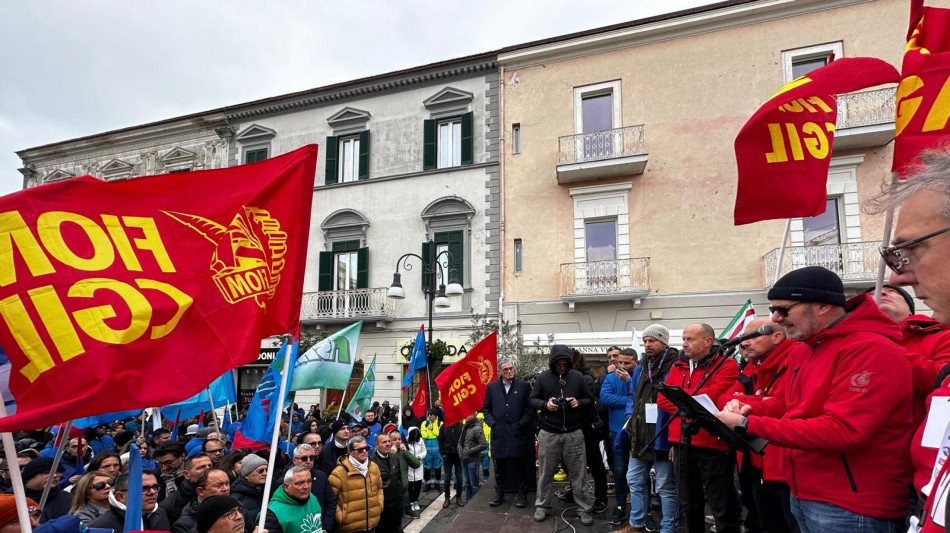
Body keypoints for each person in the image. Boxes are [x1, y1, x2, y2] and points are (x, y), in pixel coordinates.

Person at [718, 266, 913, 533]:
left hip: (853, 505)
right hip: (804, 491)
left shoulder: (870, 348)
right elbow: (790, 405)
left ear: (822, 306)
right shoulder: (804, 349)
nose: (775, 317)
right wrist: (752, 408)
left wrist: (746, 424)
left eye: (783, 310)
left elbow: (843, 430)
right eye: (773, 309)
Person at [717, 318, 805, 533]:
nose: (744, 343)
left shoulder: (795, 359)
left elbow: (783, 405)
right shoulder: (754, 366)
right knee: (759, 520)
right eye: (743, 338)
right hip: (752, 458)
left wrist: (745, 401)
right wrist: (759, 402)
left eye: (752, 336)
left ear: (776, 337)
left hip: (782, 465)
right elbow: (723, 399)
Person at [658, 323, 740, 533]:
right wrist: (691, 401)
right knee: (688, 503)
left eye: (690, 339)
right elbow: (663, 400)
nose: (684, 344)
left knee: (721, 504)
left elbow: (713, 396)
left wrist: (684, 399)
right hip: (682, 442)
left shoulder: (727, 365)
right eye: (684, 339)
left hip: (713, 444)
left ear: (707, 341)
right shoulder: (678, 366)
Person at [613, 325, 679, 533]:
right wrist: (630, 417)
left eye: (653, 340)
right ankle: (637, 523)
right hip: (640, 434)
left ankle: (668, 528)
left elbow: (678, 403)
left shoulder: (676, 366)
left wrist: (675, 439)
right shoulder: (642, 367)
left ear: (664, 342)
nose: (648, 345)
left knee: (665, 486)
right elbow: (633, 394)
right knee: (634, 479)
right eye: (645, 341)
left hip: (663, 435)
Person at [528, 344, 594, 526]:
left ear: (570, 363)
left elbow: (589, 399)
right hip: (549, 432)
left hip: (574, 432)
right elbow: (532, 400)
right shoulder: (543, 378)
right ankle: (542, 506)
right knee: (545, 473)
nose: (562, 367)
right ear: (553, 363)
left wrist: (578, 402)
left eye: (565, 364)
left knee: (579, 473)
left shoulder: (578, 377)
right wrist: (545, 405)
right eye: (559, 364)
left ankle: (584, 509)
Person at [481, 360, 533, 508]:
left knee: (520, 466)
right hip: (499, 434)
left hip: (518, 434)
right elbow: (486, 409)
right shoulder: (492, 387)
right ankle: (499, 494)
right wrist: (493, 423)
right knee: (499, 468)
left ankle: (522, 495)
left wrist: (522, 423)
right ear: (500, 372)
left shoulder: (524, 386)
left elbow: (531, 409)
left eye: (511, 368)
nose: (509, 371)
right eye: (506, 370)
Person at [601, 347, 637, 526]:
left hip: (638, 431)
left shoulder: (639, 378)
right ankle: (621, 507)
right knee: (619, 471)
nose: (621, 365)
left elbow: (645, 399)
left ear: (635, 363)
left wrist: (631, 384)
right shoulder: (609, 378)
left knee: (639, 473)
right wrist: (630, 401)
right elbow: (605, 398)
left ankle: (642, 511)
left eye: (626, 363)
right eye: (619, 362)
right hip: (617, 430)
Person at [329, 436, 383, 533]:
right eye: (359, 450)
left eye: (366, 448)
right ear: (350, 452)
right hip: (349, 528)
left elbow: (379, 488)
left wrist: (379, 506)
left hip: (371, 524)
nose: (364, 451)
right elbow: (330, 498)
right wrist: (341, 517)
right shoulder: (339, 473)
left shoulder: (374, 467)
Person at [89, 469, 171, 532]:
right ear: (120, 496)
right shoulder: (101, 527)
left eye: (154, 487)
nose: (152, 492)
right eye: (143, 489)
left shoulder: (161, 513)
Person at [287, 443, 335, 533]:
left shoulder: (321, 476)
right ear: (294, 460)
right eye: (304, 458)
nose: (308, 461)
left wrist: (326, 527)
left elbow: (331, 502)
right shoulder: (285, 481)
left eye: (311, 458)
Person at [8, 457, 70, 522]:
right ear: (29, 477)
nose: (55, 475)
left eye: (58, 472)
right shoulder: (9, 500)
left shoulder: (67, 498)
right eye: (46, 472)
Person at [262, 467, 322, 533]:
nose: (306, 487)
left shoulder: (312, 498)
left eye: (309, 481)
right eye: (299, 483)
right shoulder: (272, 514)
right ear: (286, 487)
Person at [173, 468, 232, 533]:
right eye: (218, 485)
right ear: (200, 491)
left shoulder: (238, 508)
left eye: (227, 483)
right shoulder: (184, 525)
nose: (225, 488)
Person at [162, 453, 213, 525]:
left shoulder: (221, 490)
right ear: (186, 474)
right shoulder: (168, 507)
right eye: (201, 467)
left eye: (210, 466)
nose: (208, 470)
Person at [369, 432, 404, 533]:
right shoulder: (371, 462)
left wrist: (400, 498)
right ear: (377, 445)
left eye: (389, 441)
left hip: (397, 505)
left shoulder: (394, 458)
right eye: (384, 442)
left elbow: (399, 479)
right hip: (383, 508)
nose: (388, 444)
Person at [230, 454, 267, 533]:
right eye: (260, 471)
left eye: (266, 470)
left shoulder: (267, 490)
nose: (265, 473)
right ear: (246, 475)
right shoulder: (237, 499)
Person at [458, 411, 487, 504]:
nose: (466, 415)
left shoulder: (477, 428)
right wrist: (460, 451)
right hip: (464, 459)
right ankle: (468, 501)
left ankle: (473, 504)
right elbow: (460, 441)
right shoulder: (465, 426)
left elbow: (483, 444)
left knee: (474, 484)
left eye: (469, 414)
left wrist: (469, 451)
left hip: (472, 460)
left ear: (474, 416)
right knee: (467, 483)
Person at [437, 418, 464, 508]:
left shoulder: (461, 426)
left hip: (458, 455)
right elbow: (440, 440)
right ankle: (447, 498)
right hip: (447, 455)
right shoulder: (444, 426)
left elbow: (464, 440)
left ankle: (459, 497)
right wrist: (442, 452)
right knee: (447, 477)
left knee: (459, 477)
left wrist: (462, 452)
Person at [402, 428, 426, 515]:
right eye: (414, 435)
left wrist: (420, 456)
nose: (415, 437)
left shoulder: (421, 441)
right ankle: (411, 501)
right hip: (409, 467)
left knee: (418, 485)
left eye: (417, 435)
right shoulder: (406, 442)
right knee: (410, 485)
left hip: (419, 465)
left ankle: (415, 500)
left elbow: (424, 451)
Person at [419, 409, 443, 492]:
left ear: (435, 415)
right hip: (427, 451)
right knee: (427, 469)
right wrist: (431, 434)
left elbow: (439, 434)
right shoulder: (424, 423)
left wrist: (432, 429)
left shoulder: (440, 423)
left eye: (431, 414)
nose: (429, 416)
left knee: (438, 468)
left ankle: (437, 484)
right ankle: (427, 484)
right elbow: (423, 435)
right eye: (429, 414)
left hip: (438, 452)